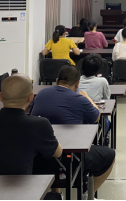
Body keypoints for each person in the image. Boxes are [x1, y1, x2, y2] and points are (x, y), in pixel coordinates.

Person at [30, 66, 115, 194]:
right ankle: (88, 195)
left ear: (57, 81)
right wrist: (87, 97)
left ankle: (56, 192)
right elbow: (96, 117)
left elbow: (31, 115)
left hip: (38, 158)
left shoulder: (41, 94)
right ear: (77, 84)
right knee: (110, 155)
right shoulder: (80, 100)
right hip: (70, 160)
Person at [0, 75, 63, 176]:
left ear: (0, 96)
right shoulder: (40, 125)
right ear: (31, 97)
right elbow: (58, 153)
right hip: (20, 185)